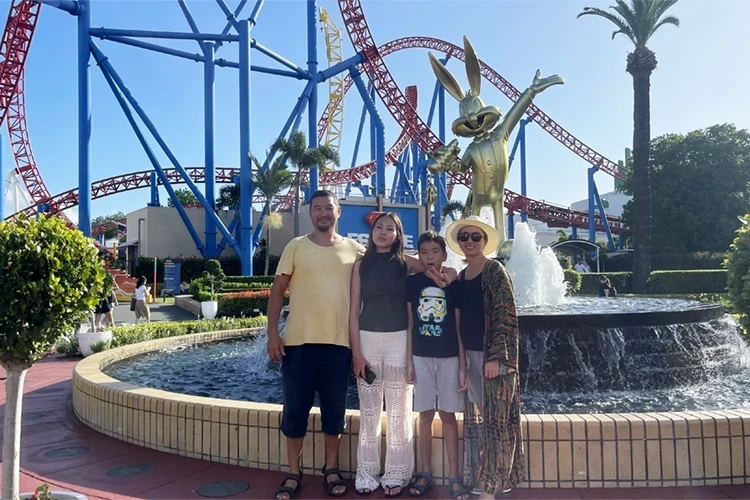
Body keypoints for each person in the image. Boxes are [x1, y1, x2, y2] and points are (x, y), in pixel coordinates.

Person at [349, 213, 457, 497]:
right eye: (379, 227)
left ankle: (397, 473)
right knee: (369, 411)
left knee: (399, 411)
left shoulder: (405, 262)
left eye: (390, 229)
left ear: (398, 235)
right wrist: (356, 352)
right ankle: (367, 472)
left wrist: (448, 276)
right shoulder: (361, 265)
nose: (383, 232)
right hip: (367, 339)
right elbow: (353, 310)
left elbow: (442, 267)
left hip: (399, 340)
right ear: (372, 231)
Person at [266, 190, 364, 500]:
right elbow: (277, 291)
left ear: (338, 211)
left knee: (334, 413)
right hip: (298, 345)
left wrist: (430, 265)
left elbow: (392, 259)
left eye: (328, 208)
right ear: (311, 213)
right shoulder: (296, 246)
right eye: (317, 208)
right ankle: (293, 472)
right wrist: (272, 333)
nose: (323, 213)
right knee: (294, 412)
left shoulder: (355, 250)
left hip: (339, 345)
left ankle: (331, 468)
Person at [446, 215, 525, 498]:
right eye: (464, 237)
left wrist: (495, 357)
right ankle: (492, 477)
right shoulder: (462, 276)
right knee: (484, 423)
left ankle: (491, 488)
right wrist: (463, 364)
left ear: (484, 241)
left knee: (497, 423)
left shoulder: (494, 271)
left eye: (475, 236)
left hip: (493, 359)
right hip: (471, 356)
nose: (469, 241)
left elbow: (505, 315)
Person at [405, 231, 469, 499]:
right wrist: (408, 360)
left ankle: (455, 476)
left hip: (449, 357)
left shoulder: (453, 284)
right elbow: (411, 323)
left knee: (448, 415)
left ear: (444, 255)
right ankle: (426, 472)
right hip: (421, 357)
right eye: (424, 252)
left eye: (434, 252)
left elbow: (458, 326)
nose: (429, 257)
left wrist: (463, 365)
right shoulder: (412, 283)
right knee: (425, 415)